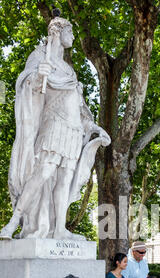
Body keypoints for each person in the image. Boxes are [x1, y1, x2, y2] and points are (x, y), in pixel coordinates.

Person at [0, 13, 111, 240]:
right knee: (43, 172)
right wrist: (37, 76)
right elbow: (27, 83)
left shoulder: (69, 69)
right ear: (58, 32)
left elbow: (79, 108)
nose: (72, 36)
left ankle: (60, 228)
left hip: (72, 130)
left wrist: (93, 127)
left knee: (64, 180)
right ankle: (13, 223)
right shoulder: (42, 56)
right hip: (53, 124)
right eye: (69, 31)